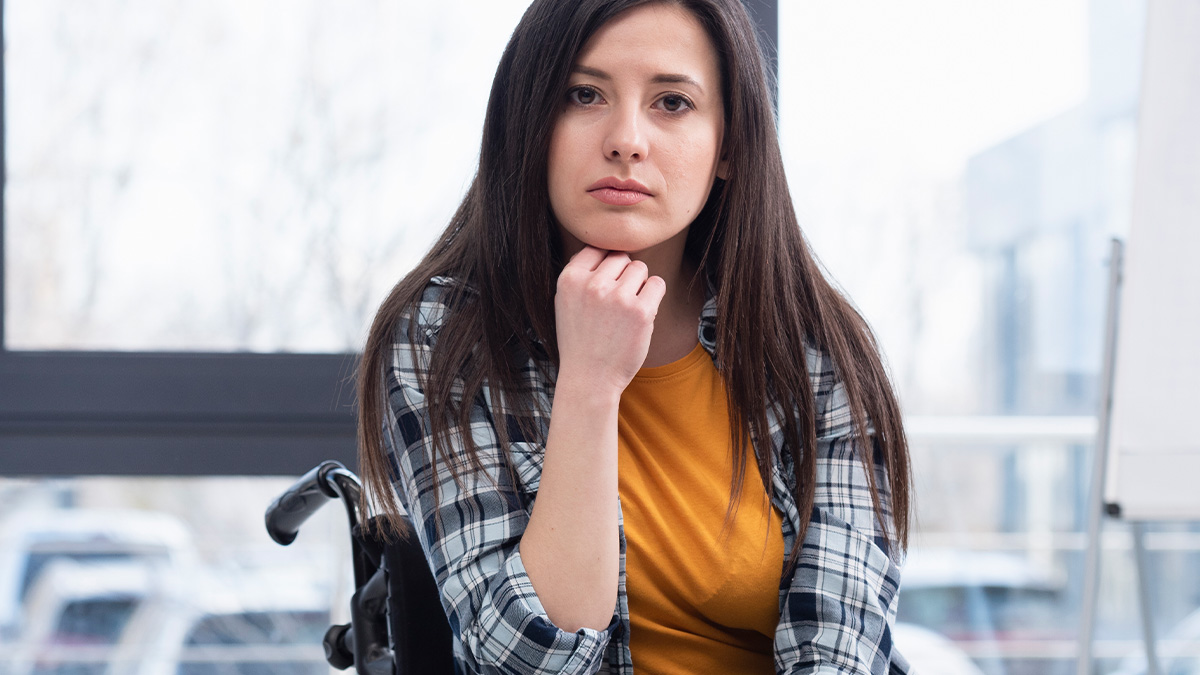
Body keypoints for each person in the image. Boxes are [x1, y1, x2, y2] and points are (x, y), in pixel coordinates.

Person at [355, 0, 913, 673]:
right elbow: (524, 663)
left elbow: (841, 652)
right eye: (583, 94)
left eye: (672, 103)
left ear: (729, 146)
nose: (626, 139)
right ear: (529, 122)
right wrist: (591, 385)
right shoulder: (444, 340)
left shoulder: (814, 352)